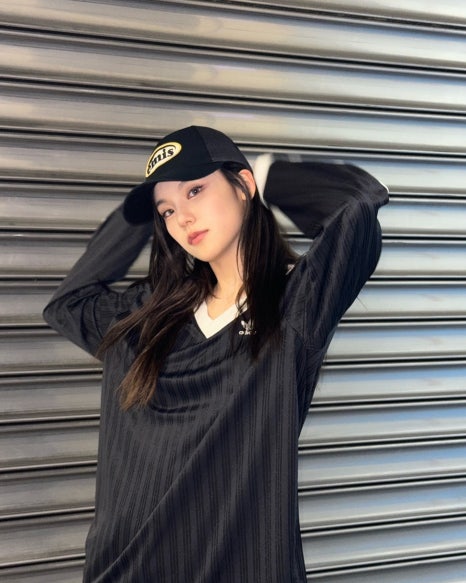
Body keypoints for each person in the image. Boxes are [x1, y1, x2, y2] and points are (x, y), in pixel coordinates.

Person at [43, 125, 388, 582]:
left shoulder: (294, 307)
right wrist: (138, 213)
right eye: (167, 210)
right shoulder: (145, 315)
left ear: (242, 186)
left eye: (196, 191)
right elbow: (67, 304)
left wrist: (267, 174)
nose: (183, 218)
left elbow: (359, 204)